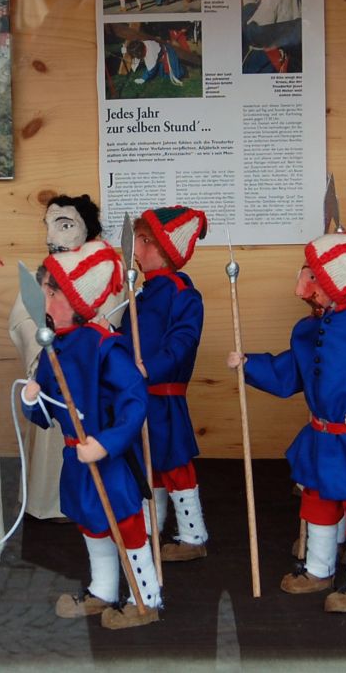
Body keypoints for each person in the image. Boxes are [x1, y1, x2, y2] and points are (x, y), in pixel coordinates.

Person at [229, 233, 346, 612]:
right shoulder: (308, 332)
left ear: (336, 282)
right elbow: (289, 373)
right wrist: (250, 365)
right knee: (317, 502)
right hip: (320, 439)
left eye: (312, 278)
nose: (301, 289)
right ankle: (318, 569)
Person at [21, 240, 160, 629]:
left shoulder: (104, 346)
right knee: (91, 524)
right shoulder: (54, 348)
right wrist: (32, 399)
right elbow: (45, 414)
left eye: (53, 293)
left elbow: (135, 401)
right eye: (45, 292)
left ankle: (145, 597)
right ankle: (103, 590)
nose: (44, 302)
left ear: (77, 299)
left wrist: (106, 443)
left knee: (126, 525)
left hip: (109, 460)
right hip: (75, 458)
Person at [115, 206, 210, 562]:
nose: (136, 251)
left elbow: (182, 345)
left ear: (165, 248)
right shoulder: (141, 295)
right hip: (138, 397)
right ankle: (150, 528)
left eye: (144, 241)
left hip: (163, 399)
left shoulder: (183, 296)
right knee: (146, 462)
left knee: (174, 464)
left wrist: (146, 368)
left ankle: (192, 536)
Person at [10, 194, 106, 521]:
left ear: (87, 230)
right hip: (53, 374)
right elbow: (23, 317)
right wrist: (41, 340)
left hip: (91, 383)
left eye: (65, 225)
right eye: (49, 226)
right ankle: (49, 501)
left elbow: (112, 319)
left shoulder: (106, 270)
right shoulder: (43, 277)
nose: (52, 236)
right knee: (52, 434)